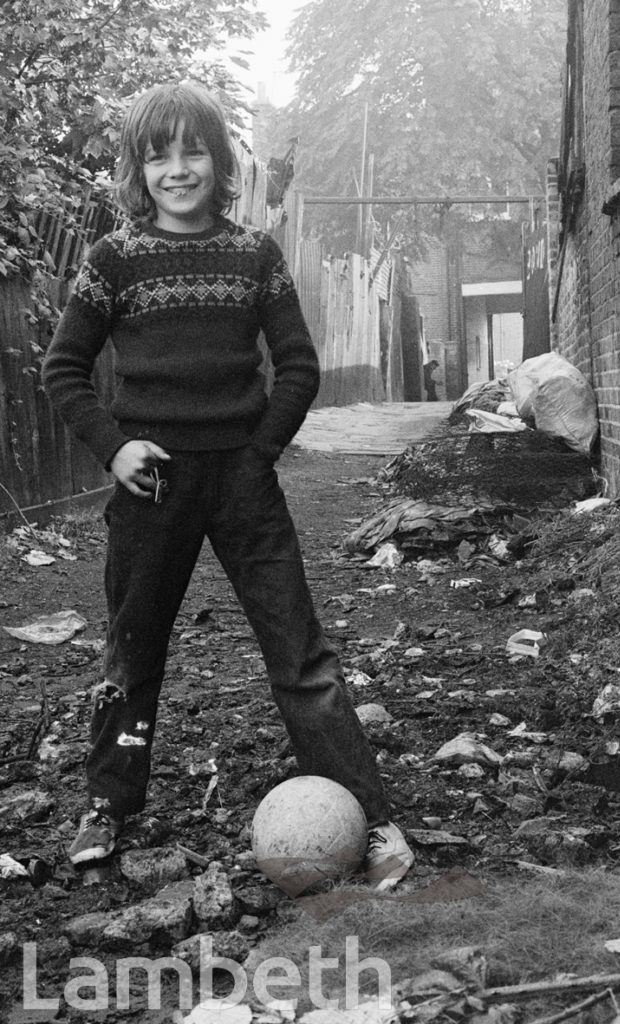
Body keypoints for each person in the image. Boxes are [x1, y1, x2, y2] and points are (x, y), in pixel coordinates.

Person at [41, 81, 413, 889]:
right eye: (159, 154)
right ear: (140, 169)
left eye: (193, 149)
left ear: (220, 157)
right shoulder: (115, 261)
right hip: (152, 487)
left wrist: (259, 453)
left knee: (299, 652)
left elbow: (299, 367)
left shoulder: (255, 255)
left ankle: (370, 816)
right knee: (131, 652)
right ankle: (108, 803)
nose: (179, 169)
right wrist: (114, 449)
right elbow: (63, 369)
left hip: (244, 484)